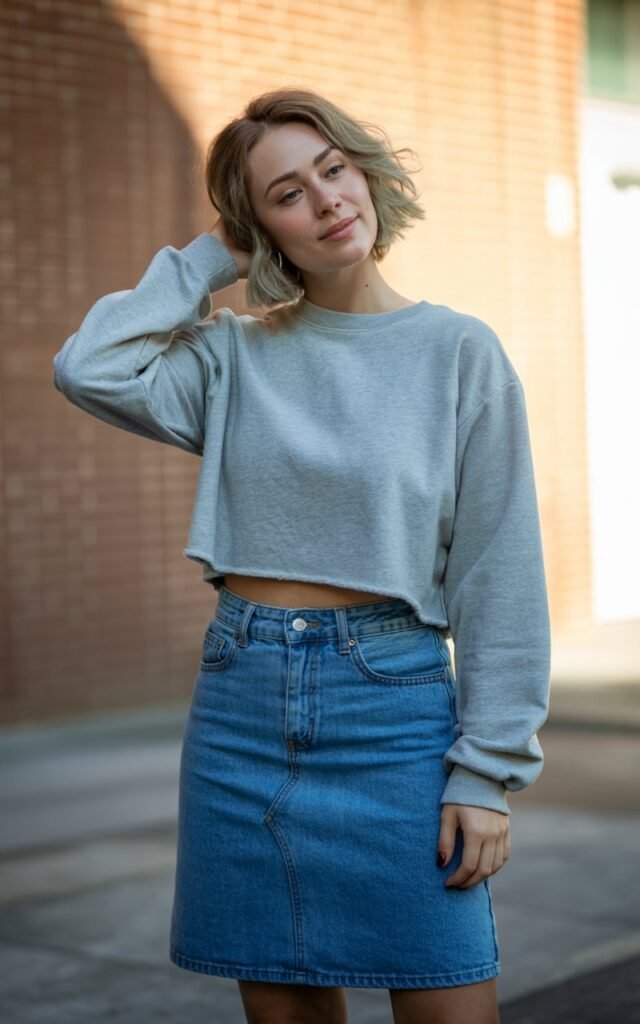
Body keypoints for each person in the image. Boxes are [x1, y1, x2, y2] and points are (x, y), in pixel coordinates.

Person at [52, 88, 551, 1024]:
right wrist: (213, 260)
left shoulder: (459, 352)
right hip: (242, 706)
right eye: (286, 194)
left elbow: (500, 572)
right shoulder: (232, 358)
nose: (326, 201)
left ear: (366, 173)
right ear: (259, 229)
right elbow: (91, 367)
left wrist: (487, 772)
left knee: (450, 1000)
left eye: (333, 169)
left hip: (395, 713)